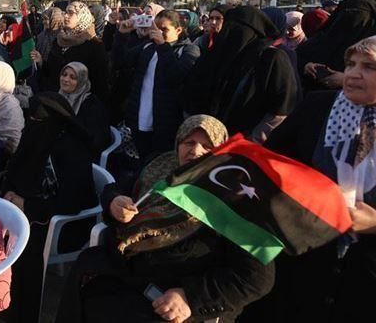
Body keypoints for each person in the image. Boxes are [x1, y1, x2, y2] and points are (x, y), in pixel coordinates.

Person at [57, 115, 275, 323]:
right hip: (127, 268)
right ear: (178, 144)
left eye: (207, 146)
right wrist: (114, 202)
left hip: (167, 294)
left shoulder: (231, 199)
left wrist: (190, 297)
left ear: (220, 152)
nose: (195, 151)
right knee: (83, 275)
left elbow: (258, 278)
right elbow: (117, 189)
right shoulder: (161, 167)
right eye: (189, 142)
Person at [260, 36, 376, 321]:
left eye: (369, 67)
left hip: (363, 274)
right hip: (304, 251)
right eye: (350, 64)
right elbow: (271, 161)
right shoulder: (318, 106)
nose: (353, 73)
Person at [1, 92, 101, 323]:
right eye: (32, 119)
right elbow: (15, 171)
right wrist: (9, 193)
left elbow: (72, 201)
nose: (33, 124)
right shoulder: (34, 136)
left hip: (62, 224)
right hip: (28, 209)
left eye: (39, 120)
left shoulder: (71, 149)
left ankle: (20, 314)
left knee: (24, 247)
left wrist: (28, 205)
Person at [185, 6, 298, 142]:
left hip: (246, 144)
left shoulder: (272, 58)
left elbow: (283, 107)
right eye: (228, 27)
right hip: (210, 140)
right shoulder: (217, 56)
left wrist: (252, 139)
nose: (230, 33)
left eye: (237, 29)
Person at [114, 10, 200, 159]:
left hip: (165, 124)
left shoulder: (189, 50)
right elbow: (119, 62)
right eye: (156, 28)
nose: (159, 32)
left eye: (164, 29)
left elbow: (176, 76)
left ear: (178, 30)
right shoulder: (148, 46)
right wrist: (121, 35)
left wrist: (162, 46)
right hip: (139, 121)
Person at [31, 1, 109, 102]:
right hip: (55, 97)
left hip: (79, 102)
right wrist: (41, 61)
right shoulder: (59, 40)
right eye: (65, 12)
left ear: (82, 16)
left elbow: (99, 81)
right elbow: (52, 70)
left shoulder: (94, 45)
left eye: (71, 13)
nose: (66, 16)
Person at [298, 0, 376, 92]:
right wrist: (306, 66)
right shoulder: (318, 42)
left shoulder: (373, 49)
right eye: (345, 15)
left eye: (359, 14)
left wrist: (345, 80)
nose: (351, 21)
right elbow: (296, 62)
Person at [58, 62, 112, 161]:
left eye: (72, 77)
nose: (66, 79)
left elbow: (96, 140)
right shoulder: (59, 96)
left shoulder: (92, 105)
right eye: (64, 75)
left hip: (81, 154)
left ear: (81, 81)